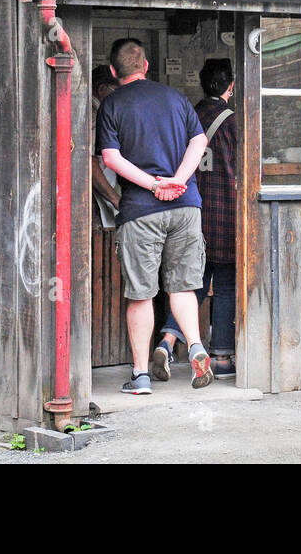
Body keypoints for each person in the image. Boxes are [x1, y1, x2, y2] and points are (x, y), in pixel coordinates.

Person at [96, 38, 213, 392]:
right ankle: (194, 347)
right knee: (183, 288)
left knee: (142, 294)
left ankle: (141, 375)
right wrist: (178, 180)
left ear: (114, 72)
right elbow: (199, 141)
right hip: (185, 205)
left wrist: (152, 186)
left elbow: (111, 159)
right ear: (145, 65)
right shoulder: (176, 98)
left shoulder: (111, 104)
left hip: (141, 210)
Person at [152, 59, 238, 381]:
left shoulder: (188, 115)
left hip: (191, 209)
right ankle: (221, 357)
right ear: (230, 86)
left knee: (191, 284)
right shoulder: (232, 122)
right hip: (226, 212)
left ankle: (167, 341)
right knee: (226, 284)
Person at [90, 65, 121, 229]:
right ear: (102, 89)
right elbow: (89, 163)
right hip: (94, 197)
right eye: (117, 92)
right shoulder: (94, 115)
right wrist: (115, 199)